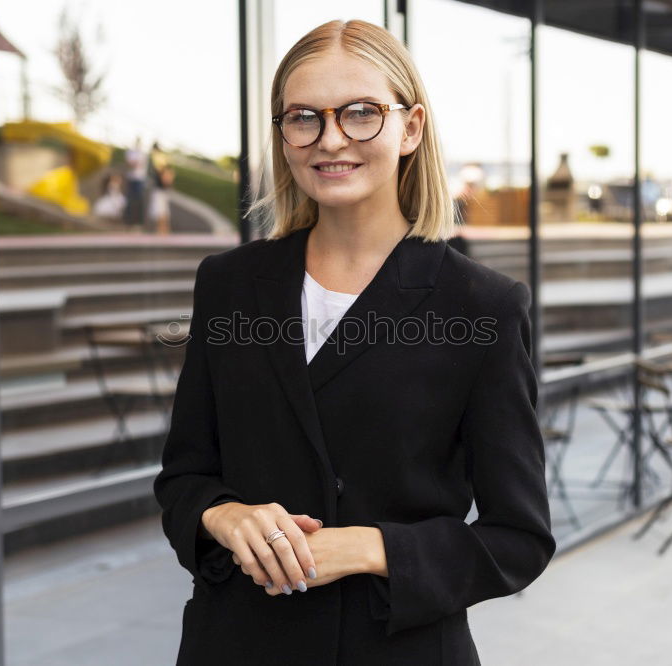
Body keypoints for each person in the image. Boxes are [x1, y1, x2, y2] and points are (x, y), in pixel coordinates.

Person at [153, 19, 555, 666]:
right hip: (236, 645)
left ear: (411, 128)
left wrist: (373, 549)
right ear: (283, 134)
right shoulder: (228, 285)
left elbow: (519, 540)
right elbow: (184, 477)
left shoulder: (483, 307)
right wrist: (223, 517)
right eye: (303, 117)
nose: (330, 138)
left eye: (361, 113)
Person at [123, 137, 147, 227]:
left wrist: (134, 163)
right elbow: (130, 163)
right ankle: (128, 220)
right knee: (129, 199)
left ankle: (138, 221)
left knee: (138, 199)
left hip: (139, 179)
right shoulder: (130, 152)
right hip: (131, 178)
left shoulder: (143, 154)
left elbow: (138, 164)